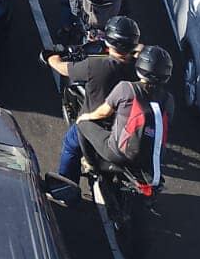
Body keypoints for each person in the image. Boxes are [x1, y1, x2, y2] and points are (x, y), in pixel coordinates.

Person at [48, 16, 142, 184]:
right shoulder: (141, 68)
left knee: (70, 144)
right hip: (129, 128)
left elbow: (63, 68)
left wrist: (51, 57)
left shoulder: (96, 66)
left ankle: (66, 186)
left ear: (109, 42)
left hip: (97, 125)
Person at [75, 45, 175, 194]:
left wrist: (86, 116)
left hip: (118, 153)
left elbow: (103, 113)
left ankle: (91, 164)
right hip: (151, 159)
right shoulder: (169, 100)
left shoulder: (126, 88)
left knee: (82, 124)